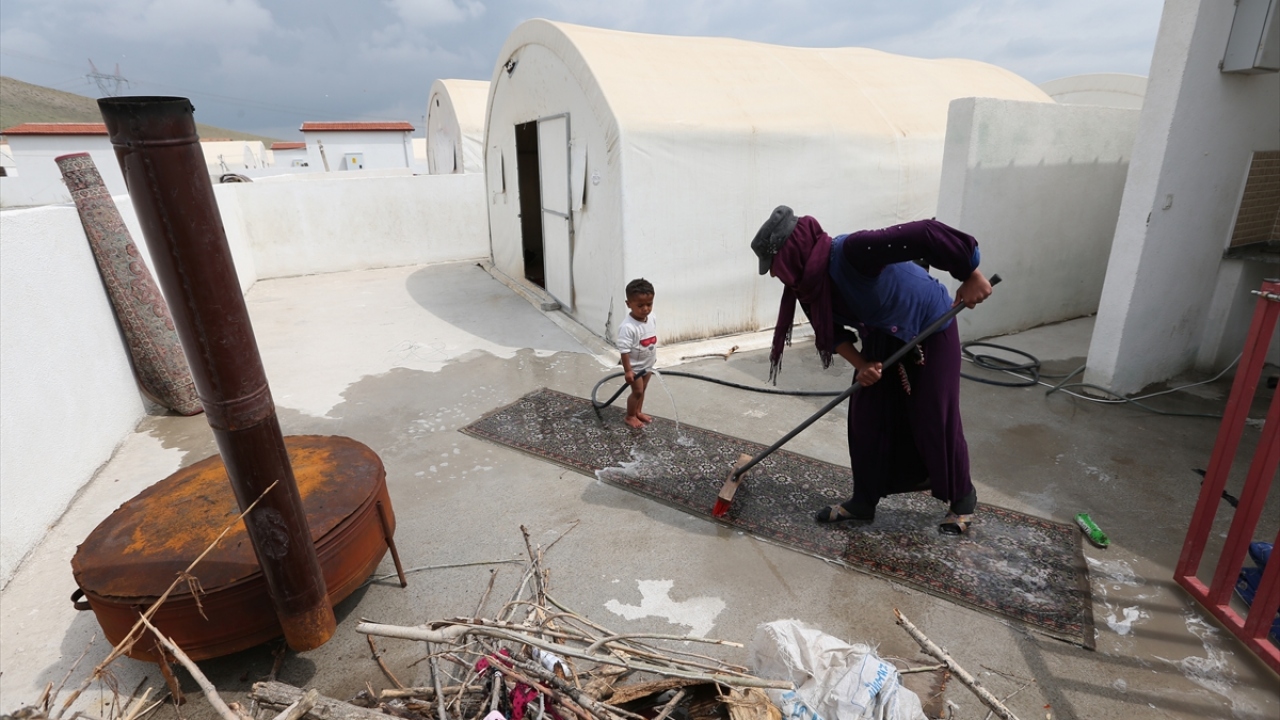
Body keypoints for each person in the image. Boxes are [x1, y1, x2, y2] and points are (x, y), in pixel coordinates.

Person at [751, 206, 992, 534]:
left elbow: (924, 234)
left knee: (934, 413)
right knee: (867, 416)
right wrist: (862, 365)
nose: (775, 275)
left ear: (790, 253)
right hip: (881, 334)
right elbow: (832, 334)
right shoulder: (807, 286)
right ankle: (863, 501)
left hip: (929, 325)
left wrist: (969, 273)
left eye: (774, 266)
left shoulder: (853, 252)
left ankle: (962, 496)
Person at [617, 278, 658, 429]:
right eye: (640, 305)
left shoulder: (652, 317)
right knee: (637, 391)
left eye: (649, 304)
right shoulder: (628, 327)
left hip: (647, 365)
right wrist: (628, 370)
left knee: (643, 390)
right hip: (635, 367)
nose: (646, 309)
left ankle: (638, 411)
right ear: (629, 304)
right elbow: (624, 351)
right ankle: (630, 416)